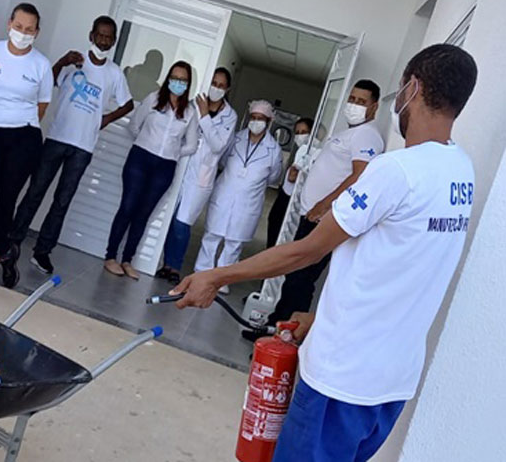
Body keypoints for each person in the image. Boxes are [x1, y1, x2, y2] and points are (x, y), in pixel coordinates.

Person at [170, 44, 477, 462]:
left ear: (413, 88)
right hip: (391, 384)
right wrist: (320, 317)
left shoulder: (395, 171)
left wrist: (216, 277)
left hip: (340, 379)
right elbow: (403, 267)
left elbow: (307, 252)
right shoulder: (461, 171)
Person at [243, 79, 385, 340]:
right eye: (352, 99)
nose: (353, 105)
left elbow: (360, 175)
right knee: (294, 274)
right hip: (313, 215)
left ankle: (286, 336)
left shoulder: (367, 135)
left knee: (301, 279)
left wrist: (325, 204)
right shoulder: (348, 133)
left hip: (324, 218)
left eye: (361, 102)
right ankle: (277, 326)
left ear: (374, 107)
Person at [6, 16, 134, 274]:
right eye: (100, 35)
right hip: (56, 138)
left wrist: (107, 118)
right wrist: (62, 62)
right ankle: (12, 242)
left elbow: (128, 104)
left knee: (62, 201)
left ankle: (42, 252)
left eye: (109, 37)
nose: (103, 40)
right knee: (35, 192)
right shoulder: (74, 61)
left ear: (114, 41)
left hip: (83, 147)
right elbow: (47, 84)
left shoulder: (114, 73)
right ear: (91, 35)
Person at [0, 3, 53, 288]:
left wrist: (17, 122)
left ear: (37, 33)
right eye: (18, 27)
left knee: (6, 202)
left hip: (24, 137)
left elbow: (42, 106)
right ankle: (6, 252)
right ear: (9, 24)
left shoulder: (41, 65)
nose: (22, 33)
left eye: (29, 29)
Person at [104, 61, 198, 280]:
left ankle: (128, 260)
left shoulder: (190, 112)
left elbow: (192, 145)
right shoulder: (154, 99)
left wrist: (172, 151)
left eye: (183, 80)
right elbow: (133, 125)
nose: (178, 83)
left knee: (143, 214)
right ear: (168, 79)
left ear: (188, 84)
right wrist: (147, 143)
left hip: (165, 167)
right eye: (174, 78)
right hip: (140, 158)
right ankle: (110, 256)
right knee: (128, 207)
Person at [156, 67, 238, 285]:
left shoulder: (230, 116)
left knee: (183, 224)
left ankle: (174, 266)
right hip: (181, 167)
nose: (216, 88)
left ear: (227, 89)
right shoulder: (192, 103)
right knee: (168, 219)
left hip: (201, 177)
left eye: (221, 85)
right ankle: (162, 263)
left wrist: (204, 117)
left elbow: (218, 145)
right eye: (214, 83)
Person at [193, 100, 283, 295]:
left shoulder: (273, 150)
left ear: (268, 122)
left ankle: (222, 280)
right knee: (211, 236)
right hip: (225, 193)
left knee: (234, 243)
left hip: (248, 202)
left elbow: (274, 176)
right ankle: (202, 272)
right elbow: (224, 161)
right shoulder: (236, 139)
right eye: (254, 118)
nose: (256, 122)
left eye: (261, 119)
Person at [266, 118, 314, 249]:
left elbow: (293, 177)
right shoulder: (302, 151)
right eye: (297, 132)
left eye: (304, 132)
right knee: (275, 225)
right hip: (285, 195)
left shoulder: (310, 151)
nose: (300, 136)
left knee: (281, 231)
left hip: (292, 200)